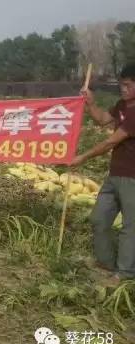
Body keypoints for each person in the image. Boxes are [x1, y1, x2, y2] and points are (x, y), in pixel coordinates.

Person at [72, 62, 135, 286]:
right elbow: (101, 120)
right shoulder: (121, 105)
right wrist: (90, 103)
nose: (123, 89)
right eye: (122, 85)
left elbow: (111, 141)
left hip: (132, 177)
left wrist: (83, 157)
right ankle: (106, 262)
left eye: (128, 86)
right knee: (99, 218)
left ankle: (125, 273)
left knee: (130, 227)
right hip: (115, 174)